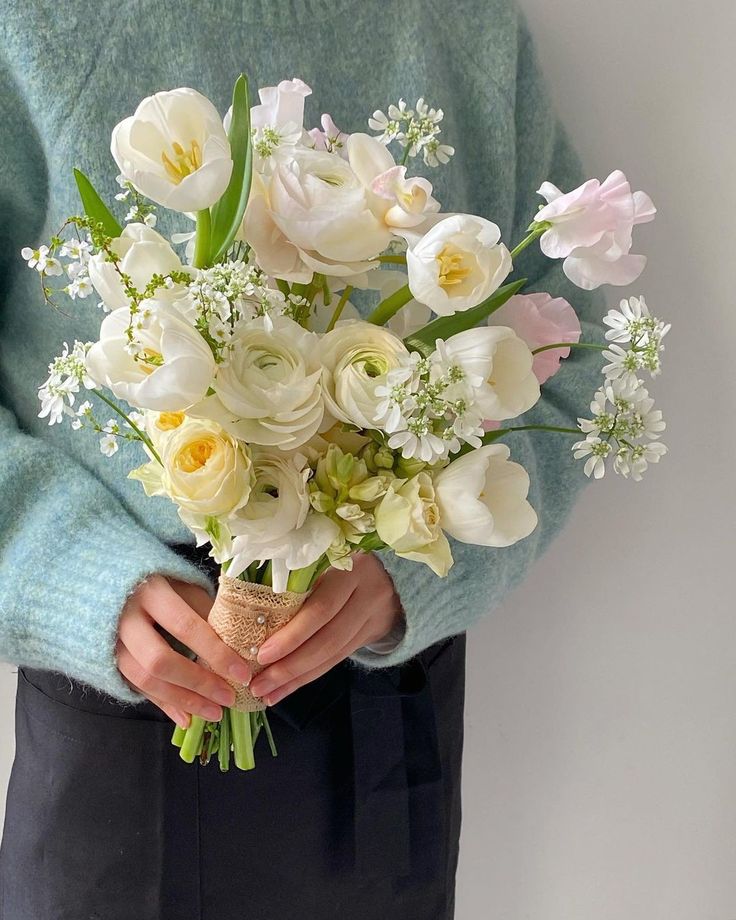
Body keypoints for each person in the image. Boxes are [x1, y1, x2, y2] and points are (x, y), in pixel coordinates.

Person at [0, 1, 604, 917]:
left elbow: (565, 356)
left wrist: (416, 558)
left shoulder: (466, 28)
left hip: (381, 692)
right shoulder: (36, 25)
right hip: (130, 687)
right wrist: (67, 574)